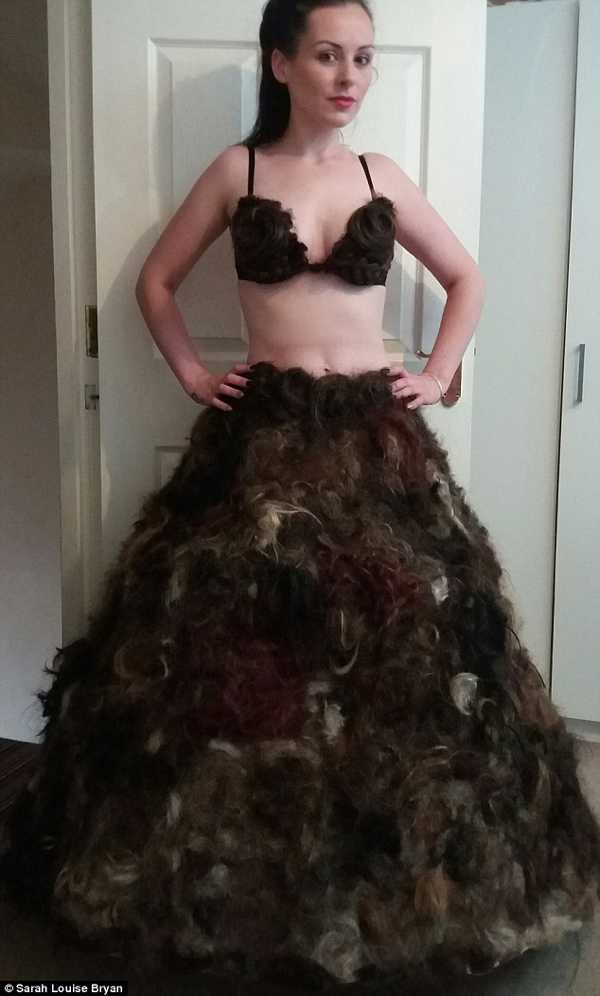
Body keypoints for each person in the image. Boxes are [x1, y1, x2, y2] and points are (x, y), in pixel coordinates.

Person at [1, 0, 599, 990]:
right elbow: (155, 283)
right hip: (262, 443)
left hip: (375, 441)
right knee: (239, 661)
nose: (349, 75)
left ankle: (397, 894)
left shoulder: (379, 176)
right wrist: (194, 374)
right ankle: (249, 894)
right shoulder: (236, 172)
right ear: (281, 63)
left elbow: (467, 278)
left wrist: (435, 371)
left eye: (362, 57)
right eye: (327, 55)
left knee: (411, 658)